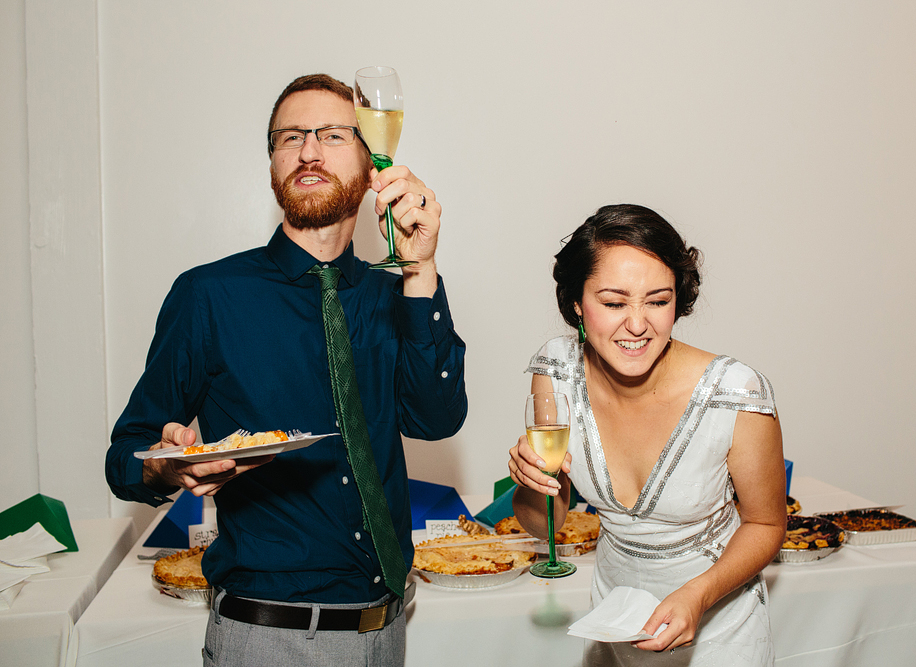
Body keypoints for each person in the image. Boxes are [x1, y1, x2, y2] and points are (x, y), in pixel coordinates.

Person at [106, 73, 467, 667]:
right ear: (273, 159)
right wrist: (167, 467)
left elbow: (436, 419)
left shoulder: (394, 294)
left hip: (389, 629)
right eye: (289, 137)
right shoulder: (208, 296)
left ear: (373, 162)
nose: (308, 151)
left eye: (330, 134)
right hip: (266, 637)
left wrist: (421, 269)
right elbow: (125, 457)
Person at [508, 204, 785, 666]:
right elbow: (545, 525)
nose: (638, 324)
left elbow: (767, 525)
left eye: (657, 301)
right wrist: (532, 482)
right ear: (576, 303)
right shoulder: (556, 371)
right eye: (614, 303)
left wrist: (698, 594)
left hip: (719, 624)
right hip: (613, 620)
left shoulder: (735, 392)